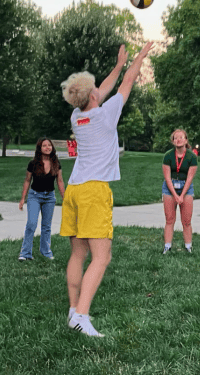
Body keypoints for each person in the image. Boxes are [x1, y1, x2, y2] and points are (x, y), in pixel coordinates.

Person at [60, 41, 154, 337]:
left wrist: (117, 64)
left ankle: (73, 309)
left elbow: (107, 86)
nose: (100, 91)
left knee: (78, 253)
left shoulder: (77, 116)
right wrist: (139, 58)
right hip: (93, 191)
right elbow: (126, 83)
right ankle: (82, 316)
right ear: (92, 97)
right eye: (95, 90)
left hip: (74, 189)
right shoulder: (104, 115)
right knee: (102, 256)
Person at [18, 137, 65, 261]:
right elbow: (27, 181)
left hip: (50, 197)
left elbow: (59, 181)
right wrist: (23, 199)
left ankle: (46, 252)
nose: (47, 147)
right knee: (31, 224)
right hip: (35, 196)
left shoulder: (56, 163)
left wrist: (64, 198)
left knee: (46, 226)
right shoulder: (33, 164)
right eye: (44, 145)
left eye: (49, 145)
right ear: (39, 148)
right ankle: (25, 253)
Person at [161, 129, 198, 254]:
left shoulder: (192, 157)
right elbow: (166, 177)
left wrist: (181, 195)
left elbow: (190, 178)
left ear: (186, 140)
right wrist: (175, 195)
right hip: (169, 186)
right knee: (169, 219)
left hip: (186, 188)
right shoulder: (168, 156)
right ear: (173, 141)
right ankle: (167, 246)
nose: (178, 140)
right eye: (176, 138)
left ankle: (188, 247)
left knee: (186, 220)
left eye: (181, 137)